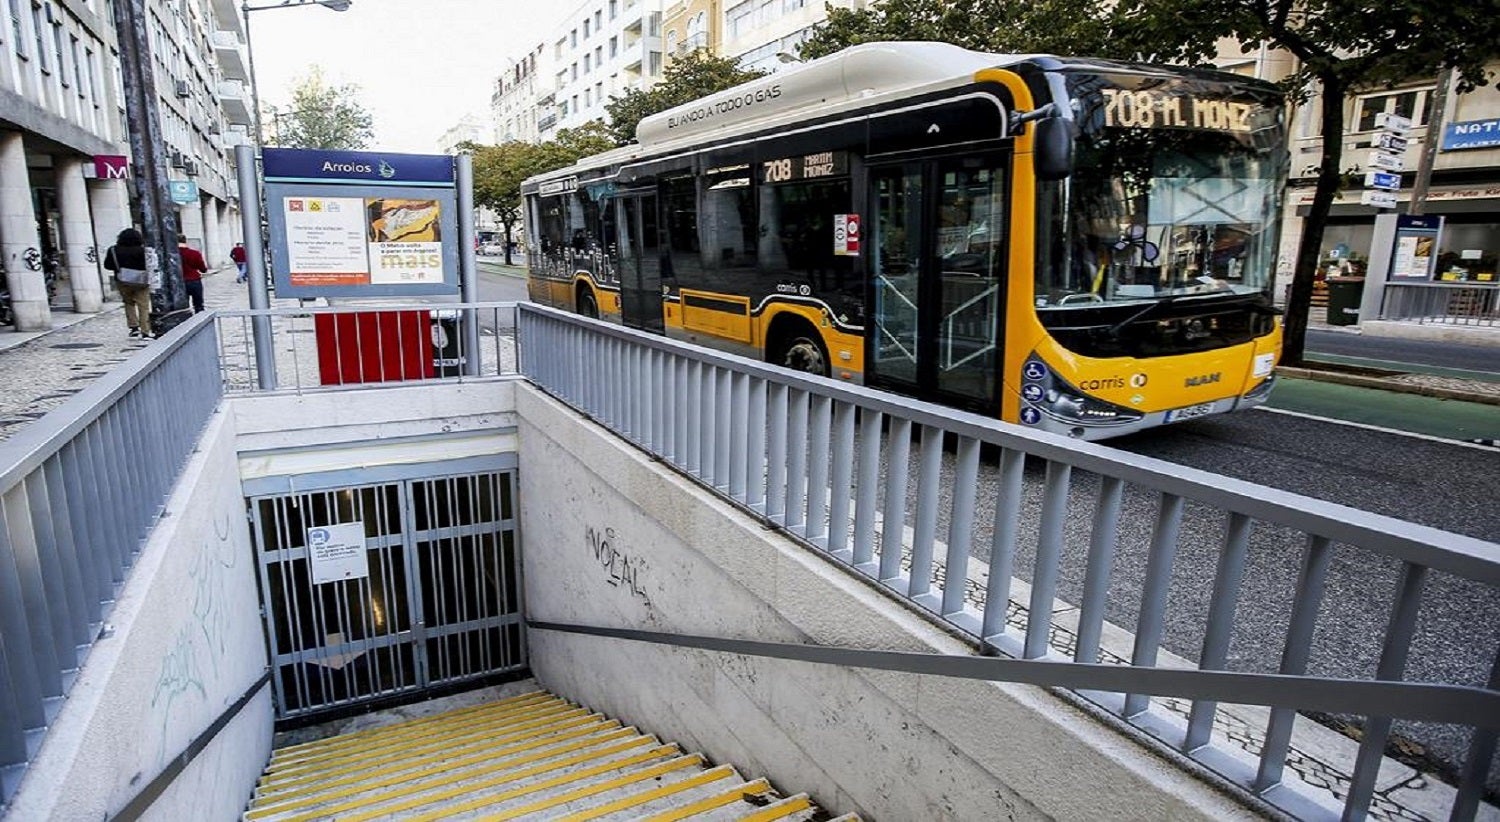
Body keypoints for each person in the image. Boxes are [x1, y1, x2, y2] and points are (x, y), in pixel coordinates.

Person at [102, 228, 154, 339]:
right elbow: (150, 266)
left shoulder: (113, 250)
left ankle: (133, 327)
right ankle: (145, 330)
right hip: (142, 281)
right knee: (143, 305)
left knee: (129, 303)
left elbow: (108, 265)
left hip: (123, 280)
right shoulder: (144, 251)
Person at [177, 233, 208, 313]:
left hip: (179, 283)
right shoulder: (195, 253)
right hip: (194, 281)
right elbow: (203, 269)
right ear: (185, 241)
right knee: (198, 305)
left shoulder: (173, 254)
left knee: (182, 308)